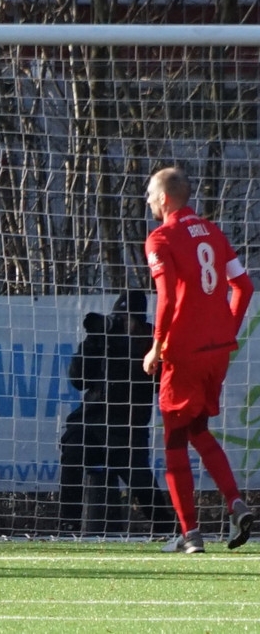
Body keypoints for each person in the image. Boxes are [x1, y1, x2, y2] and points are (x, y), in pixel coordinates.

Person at [143, 166, 255, 553]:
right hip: (217, 351)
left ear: (164, 199)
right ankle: (235, 503)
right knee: (198, 429)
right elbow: (244, 286)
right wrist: (226, 330)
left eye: (150, 195)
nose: (148, 202)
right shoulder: (212, 231)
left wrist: (157, 346)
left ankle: (190, 534)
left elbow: (167, 298)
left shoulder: (160, 238)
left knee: (174, 440)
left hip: (185, 352)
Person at [59, 290, 176, 536]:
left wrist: (134, 351)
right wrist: (94, 340)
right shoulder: (104, 338)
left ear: (139, 321)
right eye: (117, 319)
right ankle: (68, 525)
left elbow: (160, 384)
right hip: (92, 421)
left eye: (126, 319)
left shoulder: (151, 343)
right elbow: (78, 380)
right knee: (72, 450)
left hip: (128, 428)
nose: (121, 324)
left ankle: (166, 528)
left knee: (141, 482)